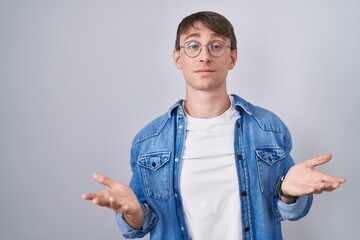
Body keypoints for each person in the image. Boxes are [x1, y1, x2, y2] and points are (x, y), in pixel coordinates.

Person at [82, 11, 346, 240]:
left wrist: (288, 194)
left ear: (232, 58)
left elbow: (291, 210)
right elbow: (138, 227)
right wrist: (133, 213)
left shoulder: (268, 128)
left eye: (216, 46)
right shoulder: (149, 140)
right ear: (177, 58)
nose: (204, 56)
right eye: (193, 46)